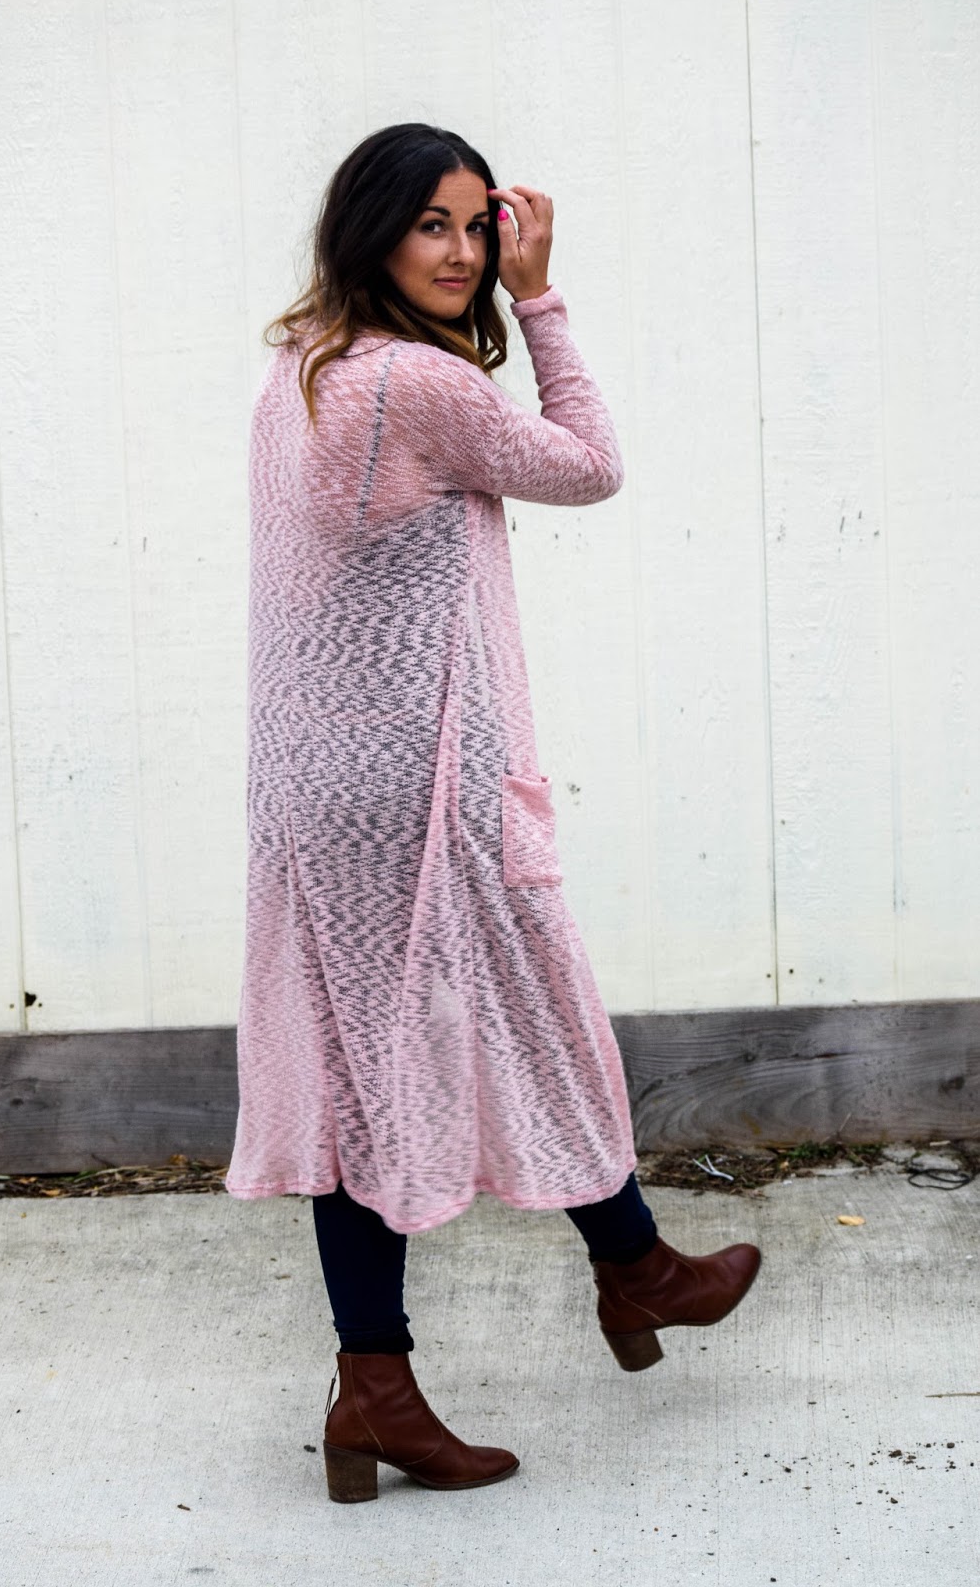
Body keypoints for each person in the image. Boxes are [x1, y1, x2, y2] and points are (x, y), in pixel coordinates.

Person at [224, 122, 761, 1504]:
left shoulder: (303, 363)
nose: (462, 252)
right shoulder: (415, 382)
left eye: (480, 227)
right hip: (418, 789)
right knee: (527, 1020)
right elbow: (588, 463)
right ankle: (624, 1272)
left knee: (369, 1065)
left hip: (316, 785)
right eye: (434, 226)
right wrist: (542, 297)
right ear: (372, 232)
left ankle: (412, 1370)